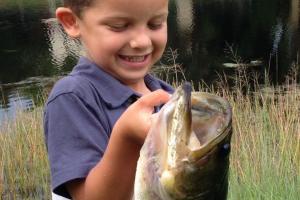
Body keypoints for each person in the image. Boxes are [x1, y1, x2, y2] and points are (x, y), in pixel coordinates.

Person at [43, 0, 173, 199]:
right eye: (119, 26)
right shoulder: (72, 98)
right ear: (72, 22)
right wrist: (127, 139)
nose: (142, 42)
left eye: (155, 24)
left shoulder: (167, 95)